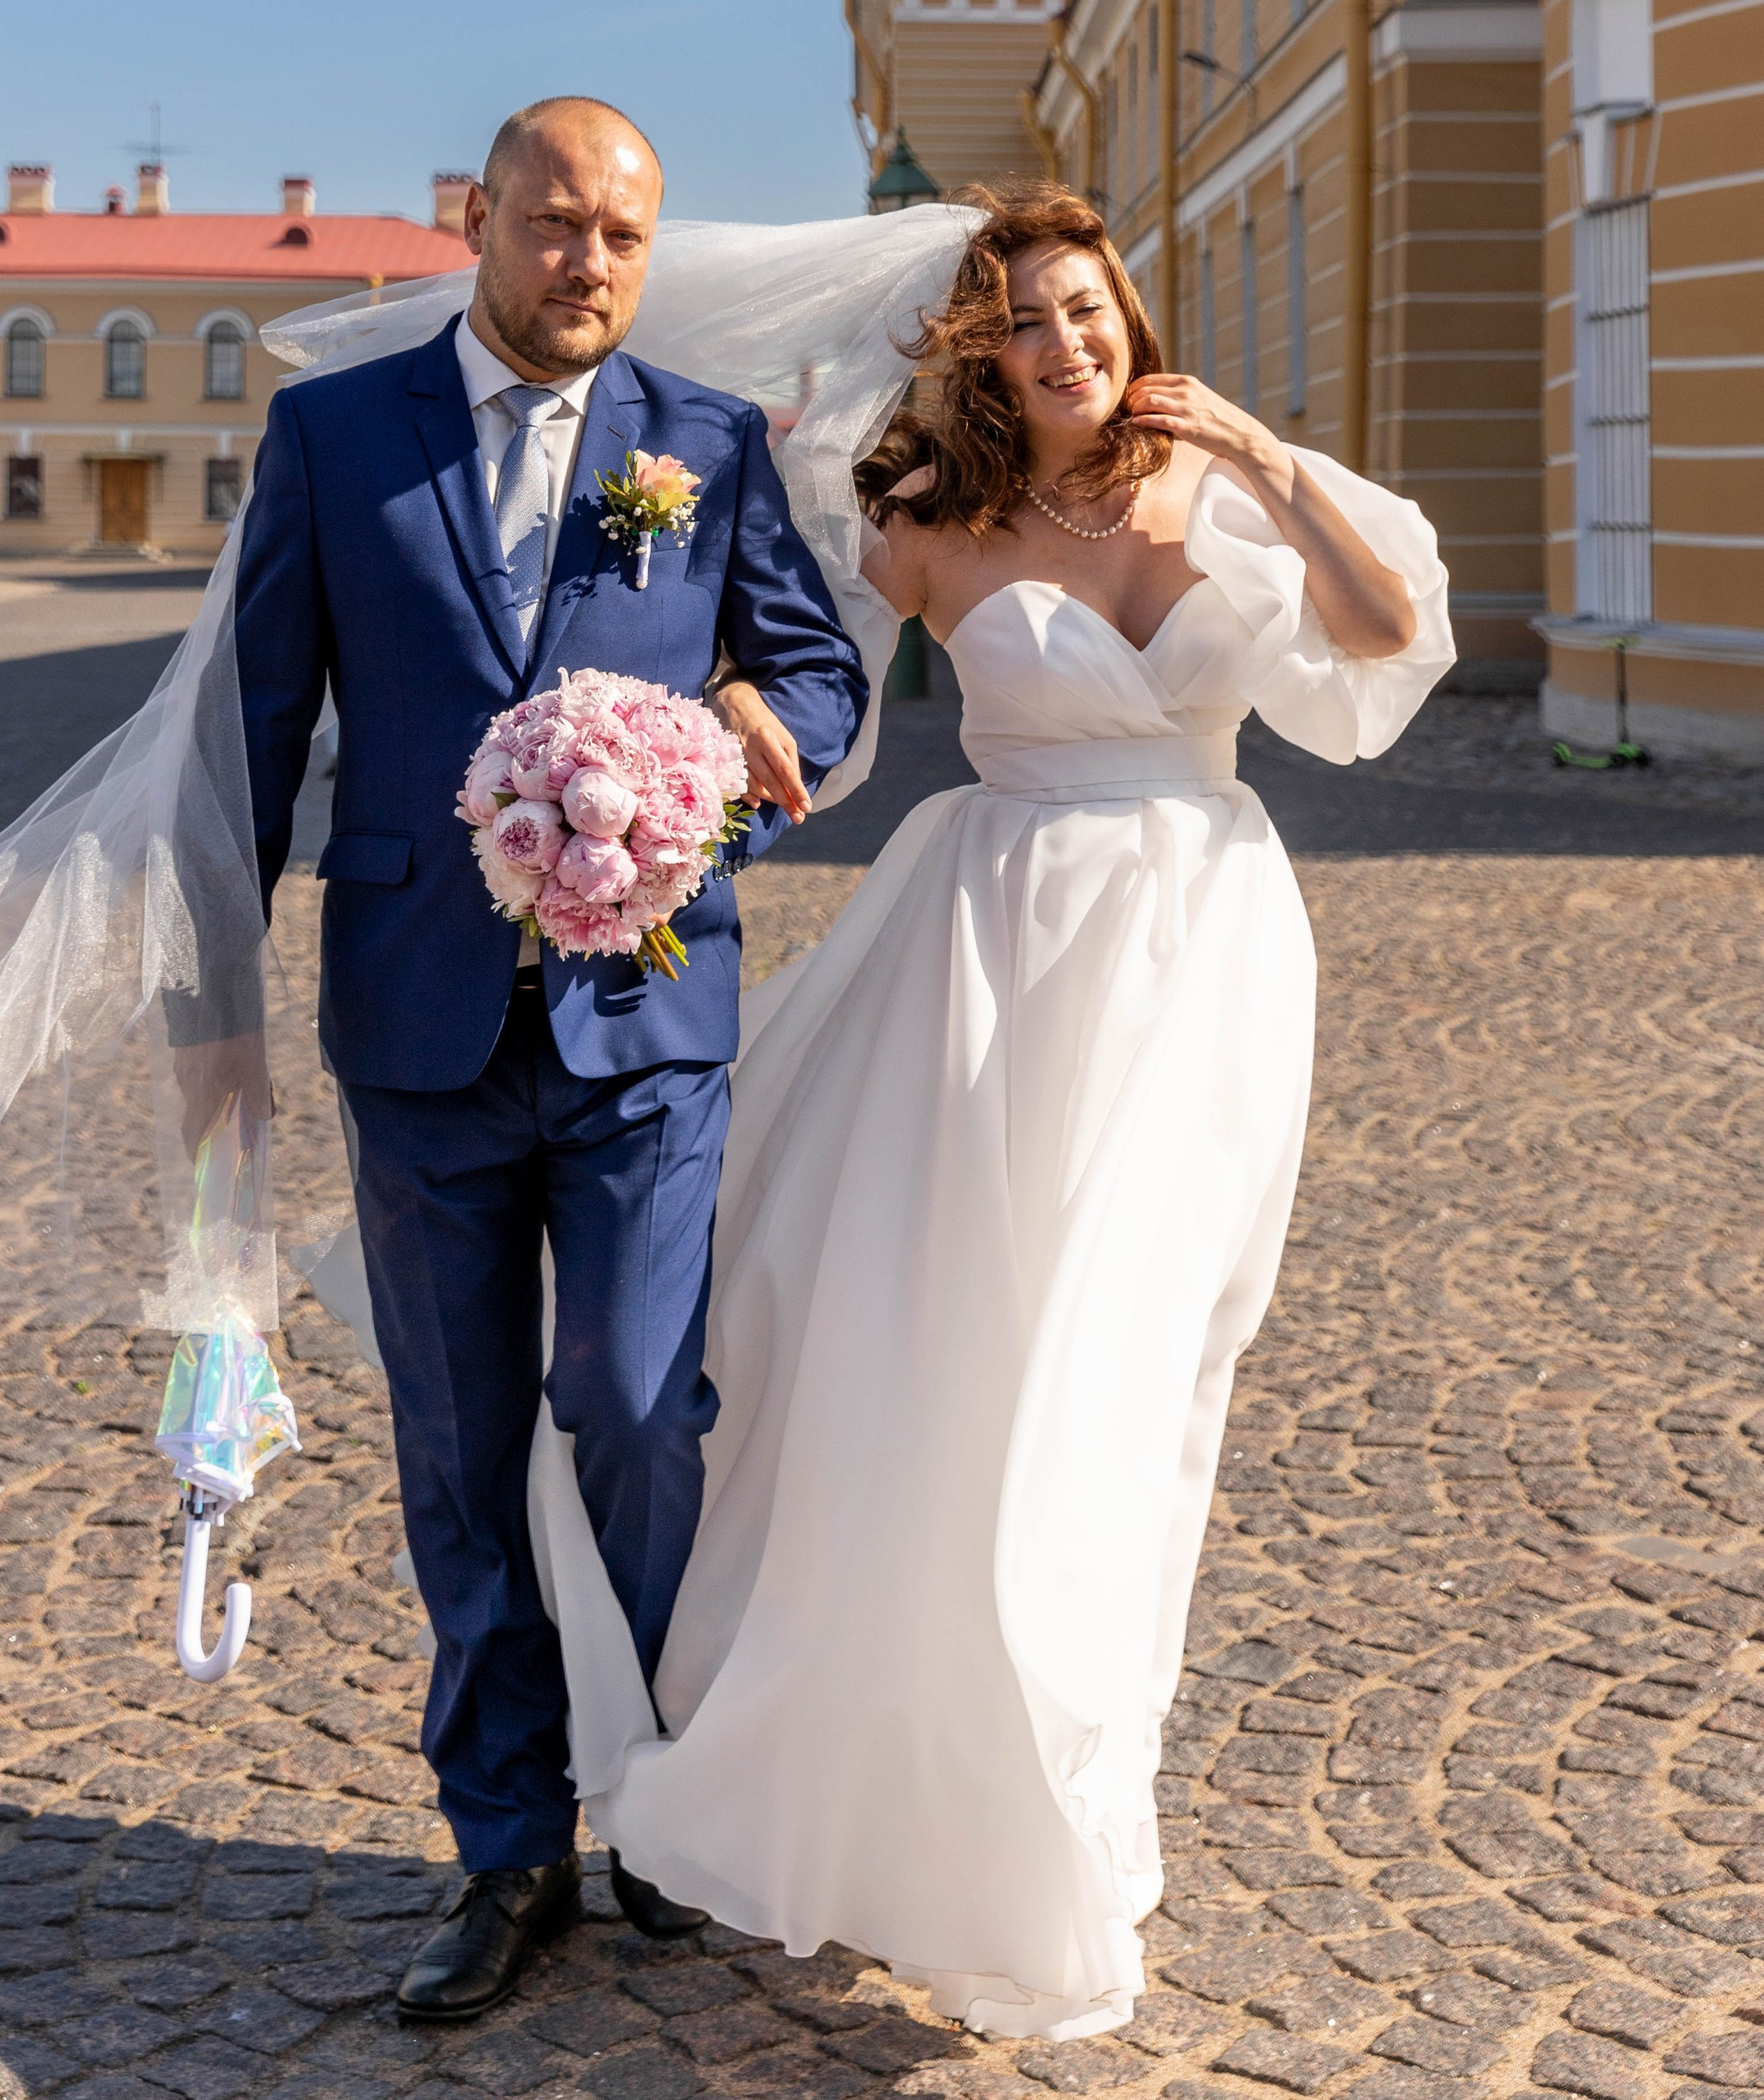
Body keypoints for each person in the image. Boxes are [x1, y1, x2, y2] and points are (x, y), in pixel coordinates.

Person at [528, 182, 1453, 2044]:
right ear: (982, 349)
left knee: (1117, 1379)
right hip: (982, 955)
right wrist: (689, 715)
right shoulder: (922, 525)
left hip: (1186, 960)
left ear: (1127, 318)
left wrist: (1267, 458)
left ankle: (1062, 1825)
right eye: (1026, 318)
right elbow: (809, 702)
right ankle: (890, 1784)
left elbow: (1374, 651)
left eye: (1089, 308)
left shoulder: (1227, 490)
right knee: (932, 1366)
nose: (1067, 343)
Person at [227, 95, 869, 2020]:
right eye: (552, 225)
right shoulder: (336, 439)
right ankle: (506, 1847)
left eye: (620, 237)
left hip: (647, 1018)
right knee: (458, 1447)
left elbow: (823, 678)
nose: (585, 264)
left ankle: (664, 1794)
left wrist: (741, 745)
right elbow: (262, 717)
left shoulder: (709, 442)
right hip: (417, 1016)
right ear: (479, 222)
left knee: (629, 1398)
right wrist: (204, 995)